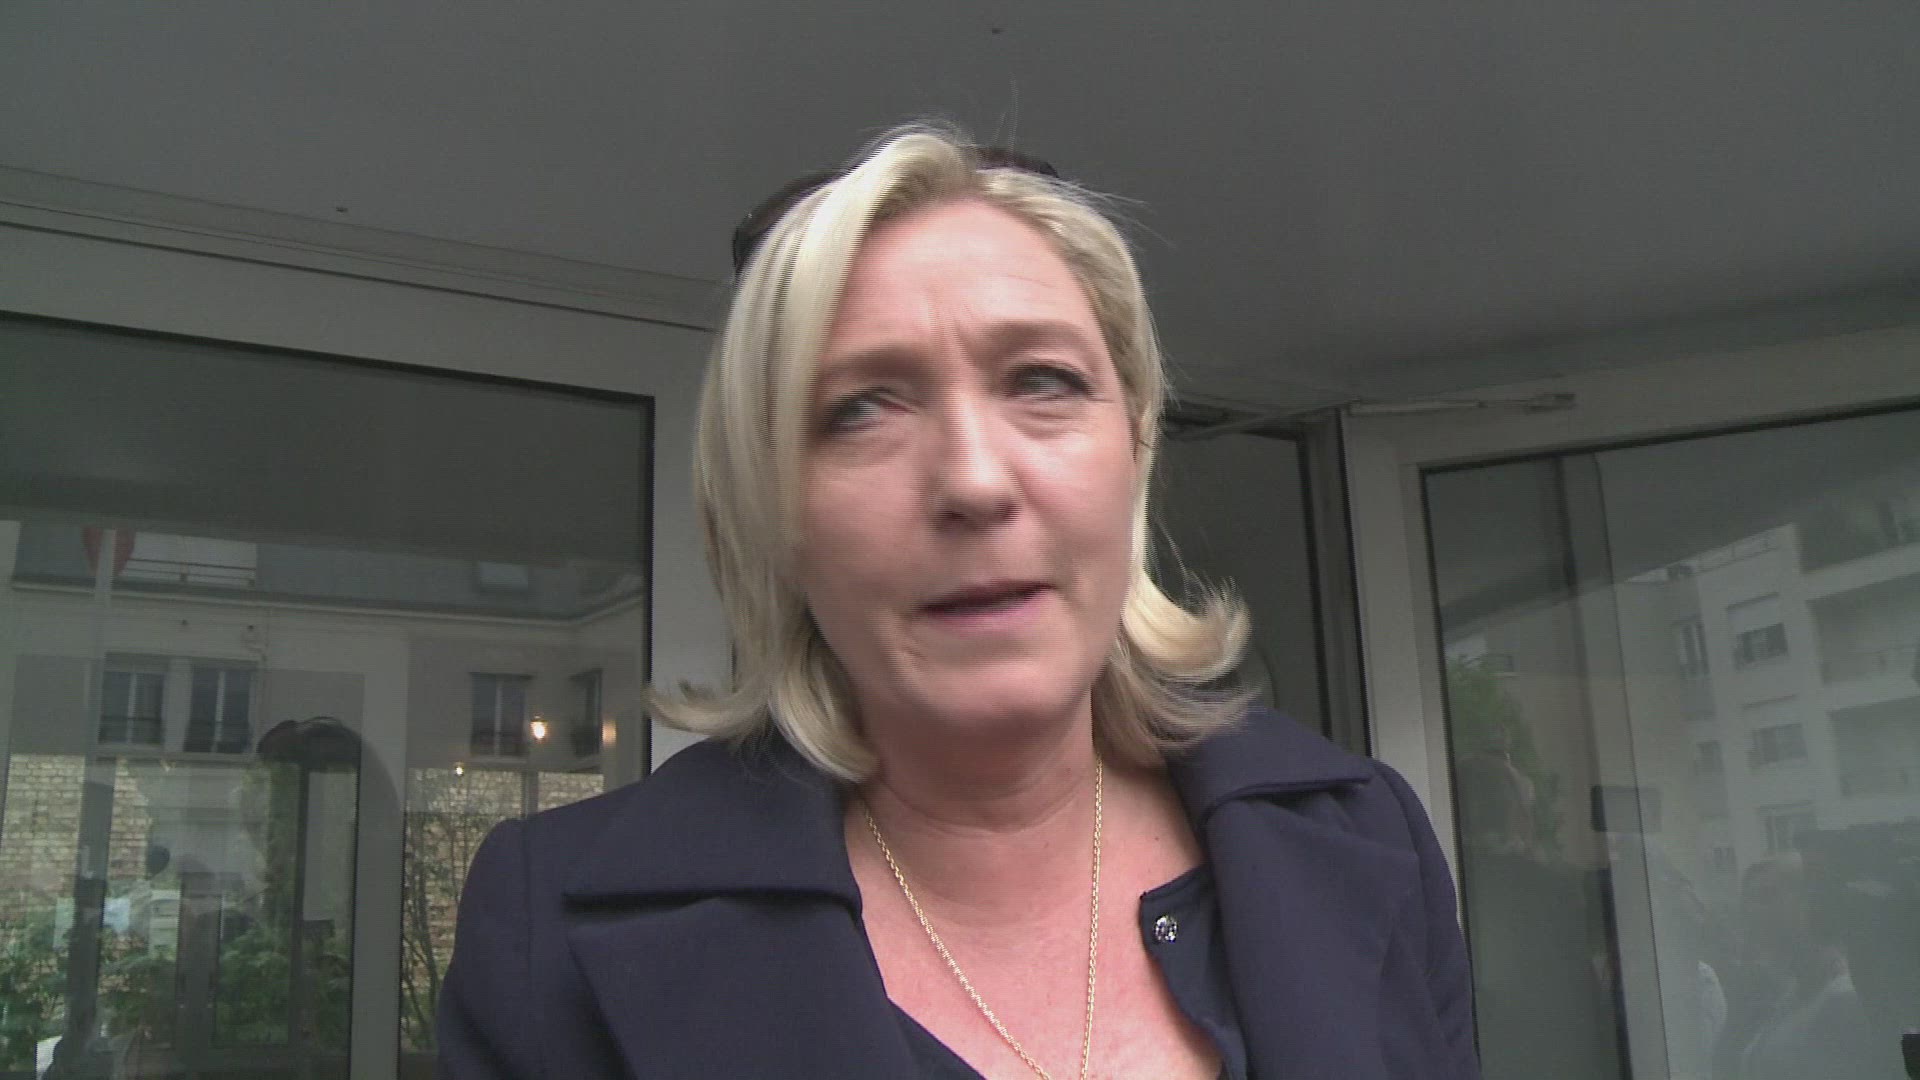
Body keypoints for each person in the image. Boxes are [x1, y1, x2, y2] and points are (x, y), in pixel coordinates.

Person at [437, 123, 1478, 1080]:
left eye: (1042, 381)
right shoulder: (549, 941)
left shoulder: (1366, 836)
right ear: (773, 512)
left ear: (1135, 448)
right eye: (862, 408)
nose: (975, 481)